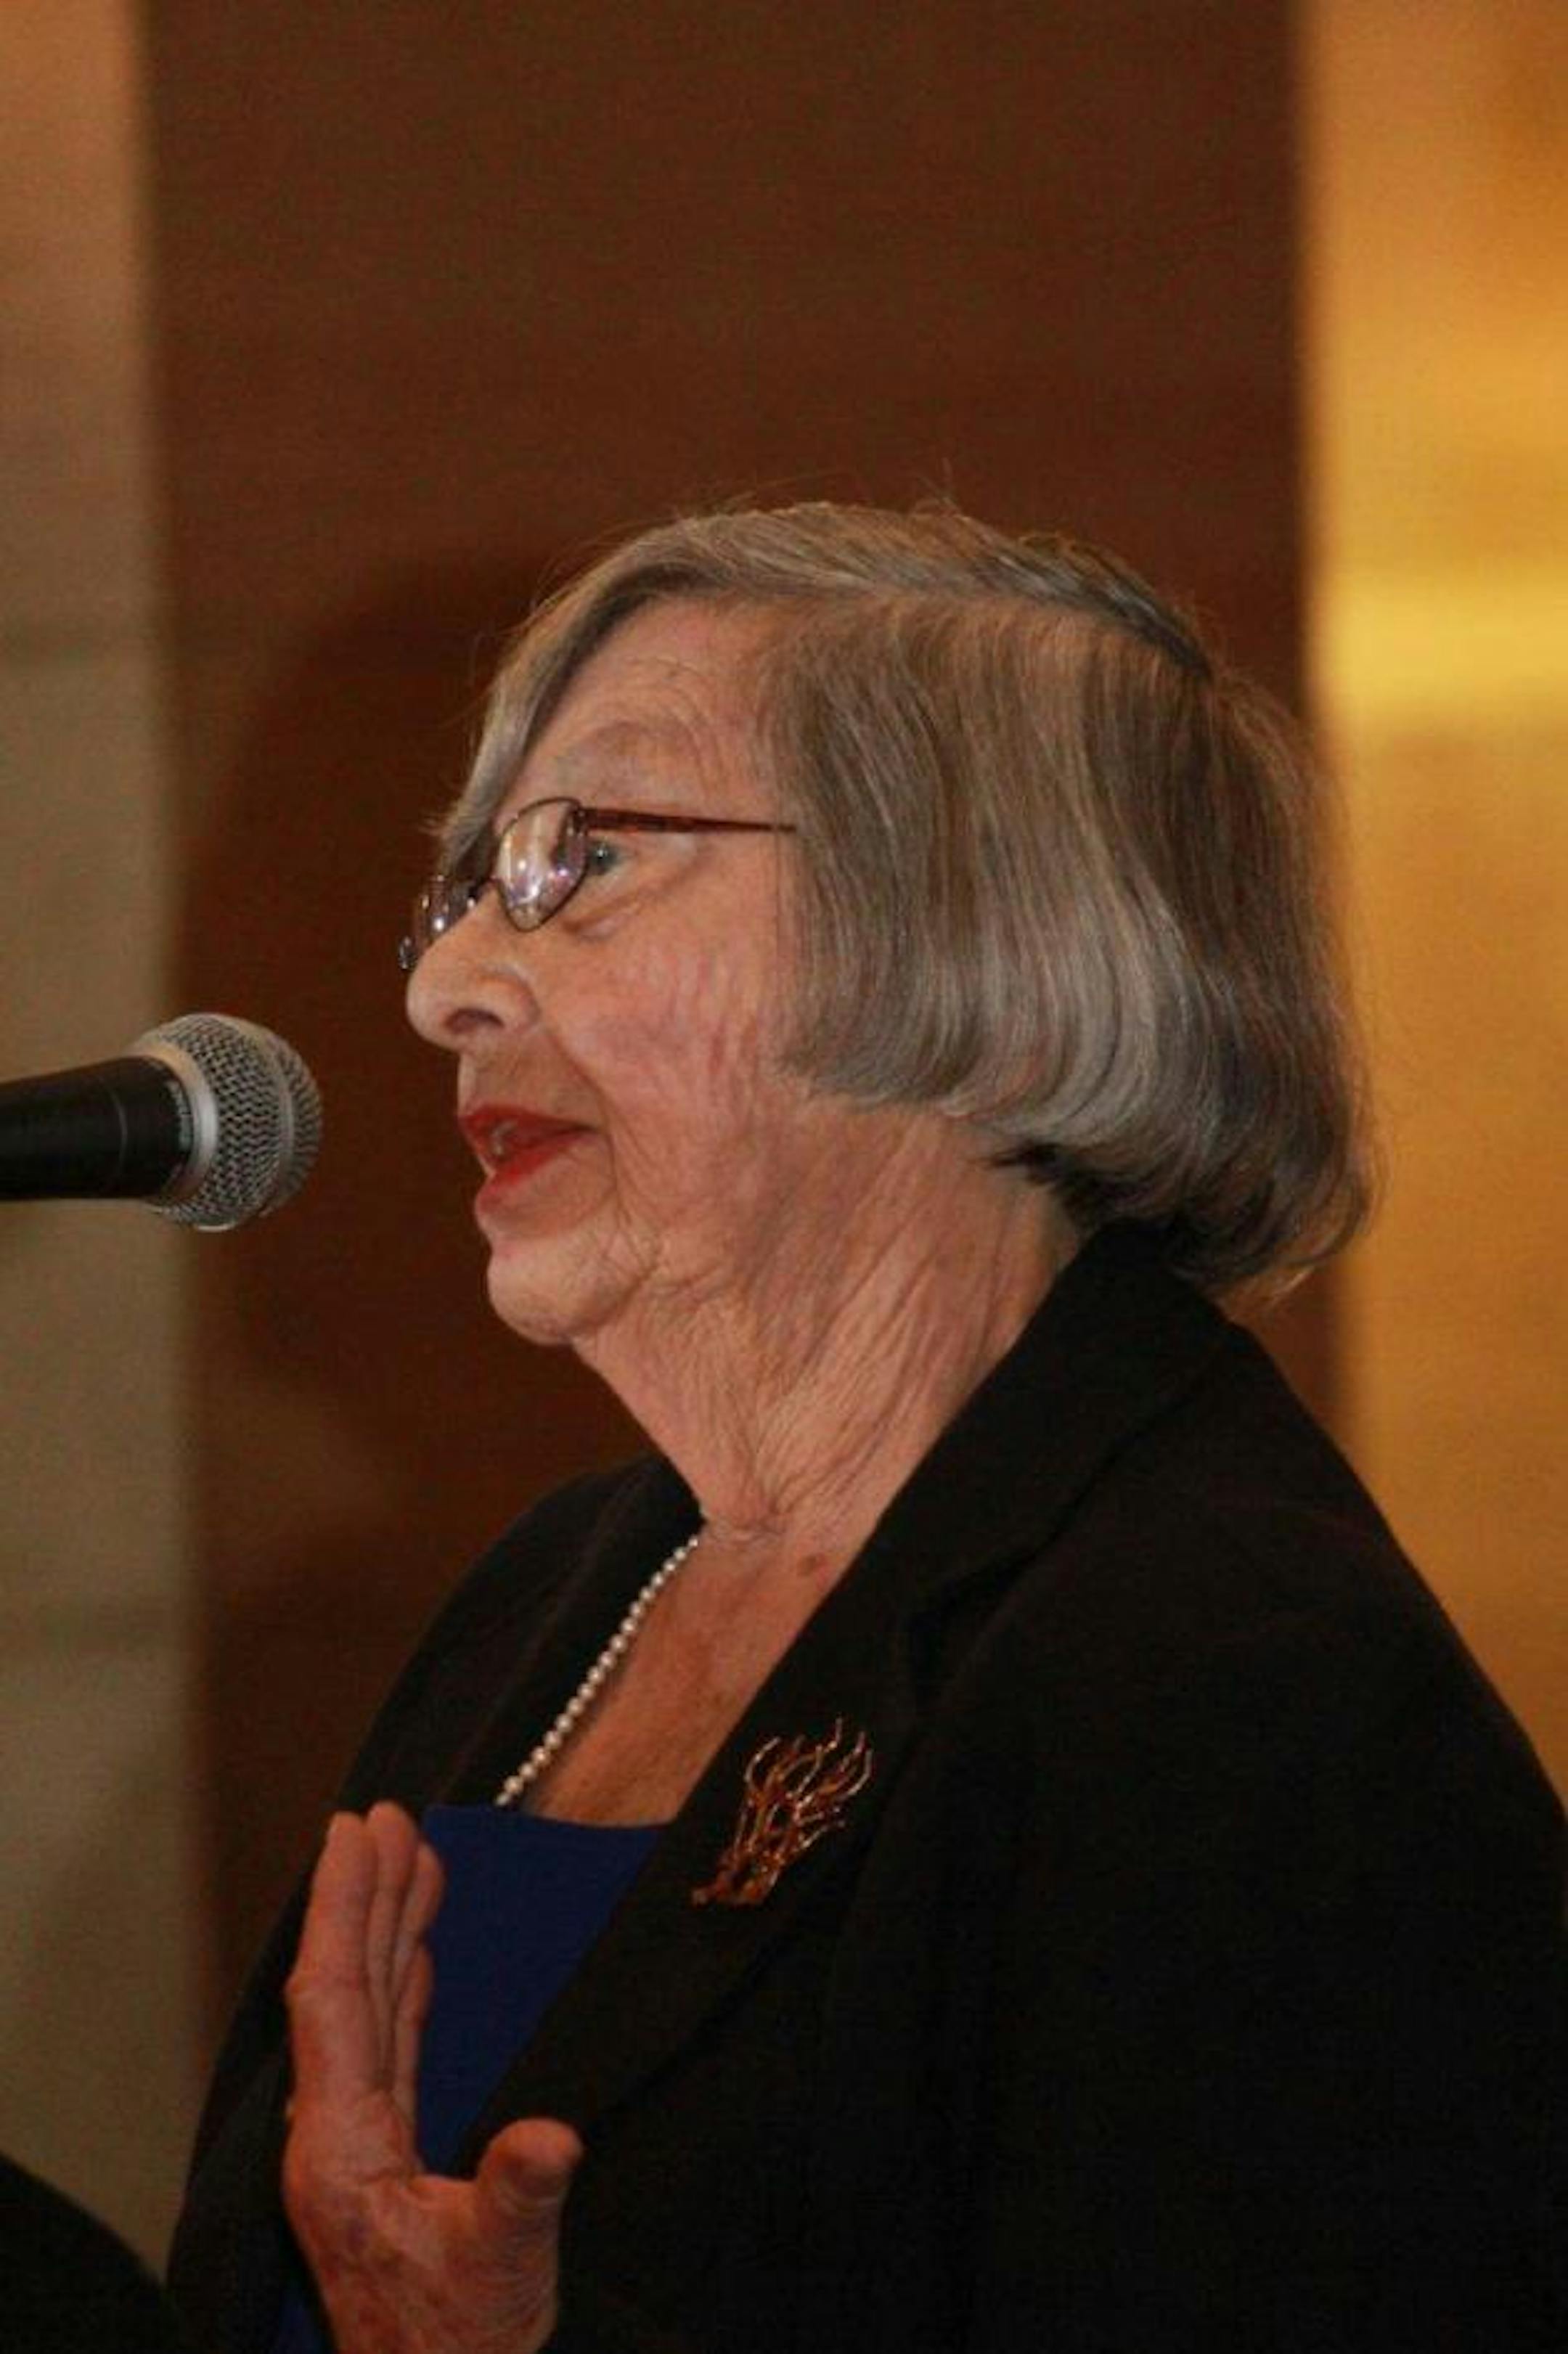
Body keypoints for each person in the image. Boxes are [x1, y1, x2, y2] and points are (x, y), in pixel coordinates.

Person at [168, 503, 1566, 2353]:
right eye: (471, 884)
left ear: (989, 936)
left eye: (584, 856)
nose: (444, 988)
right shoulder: (551, 1593)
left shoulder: (1250, 1680)